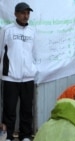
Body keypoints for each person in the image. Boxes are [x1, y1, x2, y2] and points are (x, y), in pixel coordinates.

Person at [0, 2, 37, 141]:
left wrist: (33, 69)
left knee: (27, 109)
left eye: (27, 13)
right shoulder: (6, 30)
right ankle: (7, 136)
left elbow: (34, 53)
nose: (25, 15)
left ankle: (25, 136)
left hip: (28, 77)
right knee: (9, 110)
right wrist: (5, 70)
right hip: (10, 78)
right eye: (22, 13)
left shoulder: (32, 31)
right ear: (15, 14)